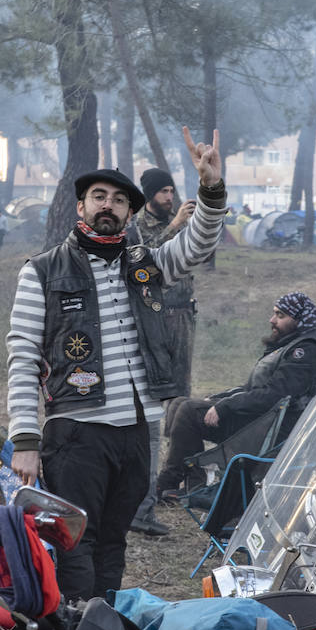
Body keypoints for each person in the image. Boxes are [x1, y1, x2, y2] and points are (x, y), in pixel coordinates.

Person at [6, 128, 227, 600]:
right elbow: (22, 358)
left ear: (130, 211)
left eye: (119, 201)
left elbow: (198, 244)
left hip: (135, 432)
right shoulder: (41, 271)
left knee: (113, 541)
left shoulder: (144, 264)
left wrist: (210, 189)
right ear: (81, 206)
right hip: (75, 433)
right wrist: (24, 440)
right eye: (98, 197)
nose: (108, 206)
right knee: (75, 544)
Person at [157, 292, 316, 500]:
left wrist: (225, 406)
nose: (272, 320)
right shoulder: (291, 343)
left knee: (187, 412)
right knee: (179, 404)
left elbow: (275, 396)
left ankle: (169, 485)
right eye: (274, 314)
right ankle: (192, 484)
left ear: (298, 319)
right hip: (260, 419)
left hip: (272, 429)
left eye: (280, 315)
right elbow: (253, 388)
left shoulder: (306, 350)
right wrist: (217, 398)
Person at [127, 167, 197, 538]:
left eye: (173, 190)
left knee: (179, 394)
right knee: (157, 394)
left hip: (183, 315)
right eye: (164, 192)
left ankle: (173, 461)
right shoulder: (138, 225)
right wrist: (175, 228)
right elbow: (146, 257)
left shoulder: (178, 221)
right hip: (156, 317)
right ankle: (148, 486)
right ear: (150, 194)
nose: (170, 197)